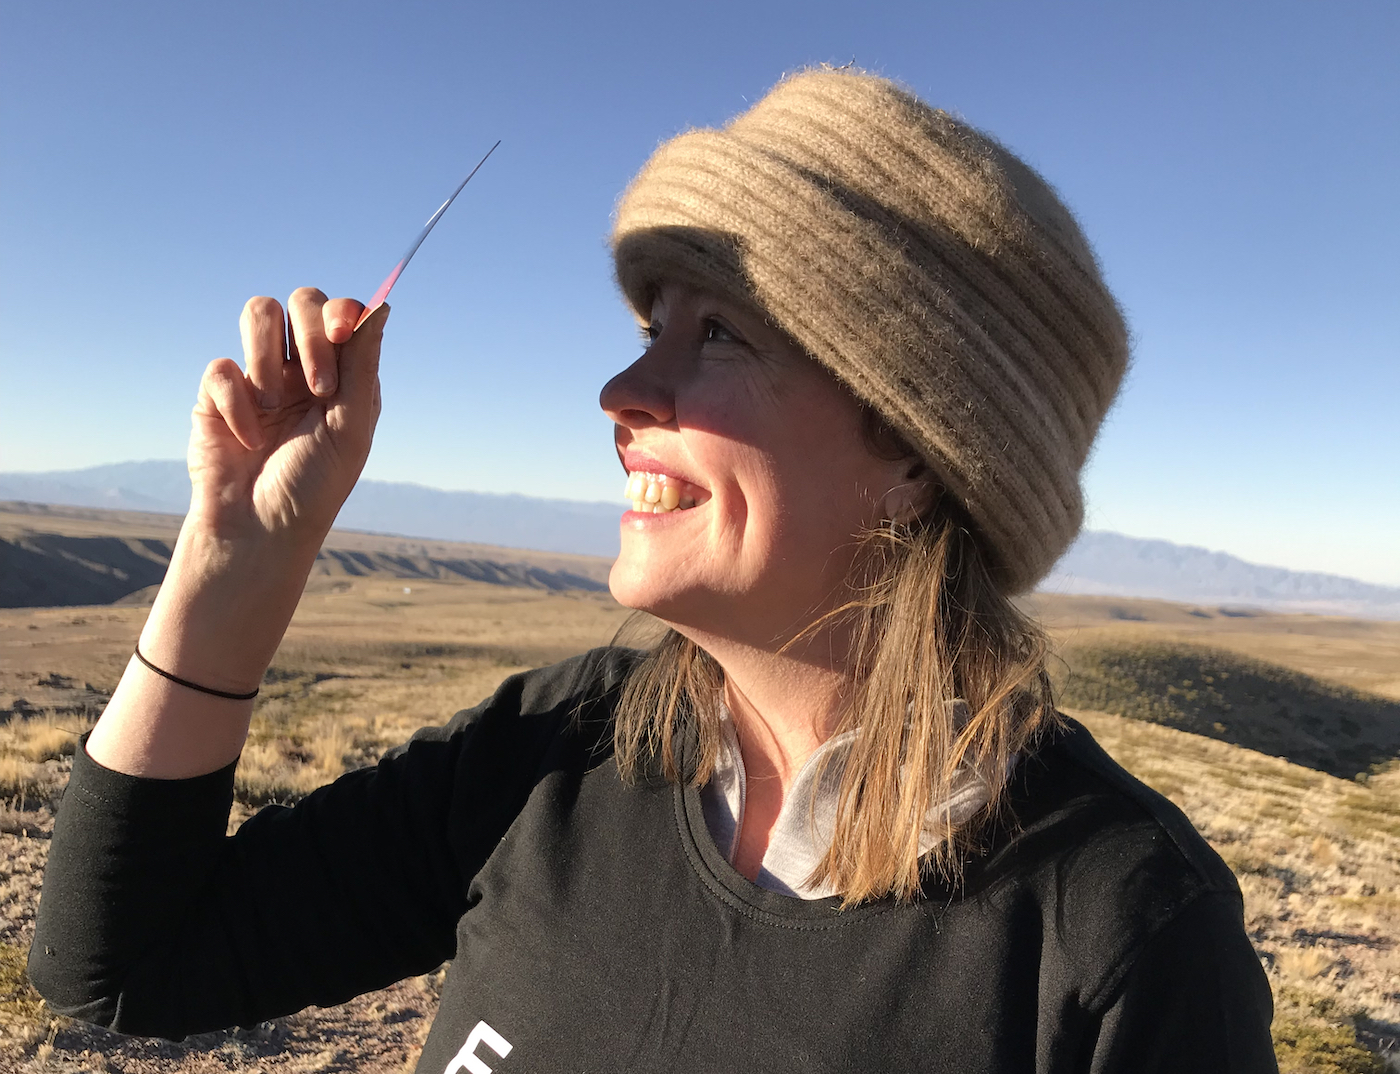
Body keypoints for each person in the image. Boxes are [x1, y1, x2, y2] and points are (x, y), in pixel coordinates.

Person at [30, 68, 1278, 1072]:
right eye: (649, 327)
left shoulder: (1117, 932)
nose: (621, 394)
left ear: (913, 449)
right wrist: (232, 562)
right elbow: (121, 964)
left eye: (719, 334)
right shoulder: (562, 750)